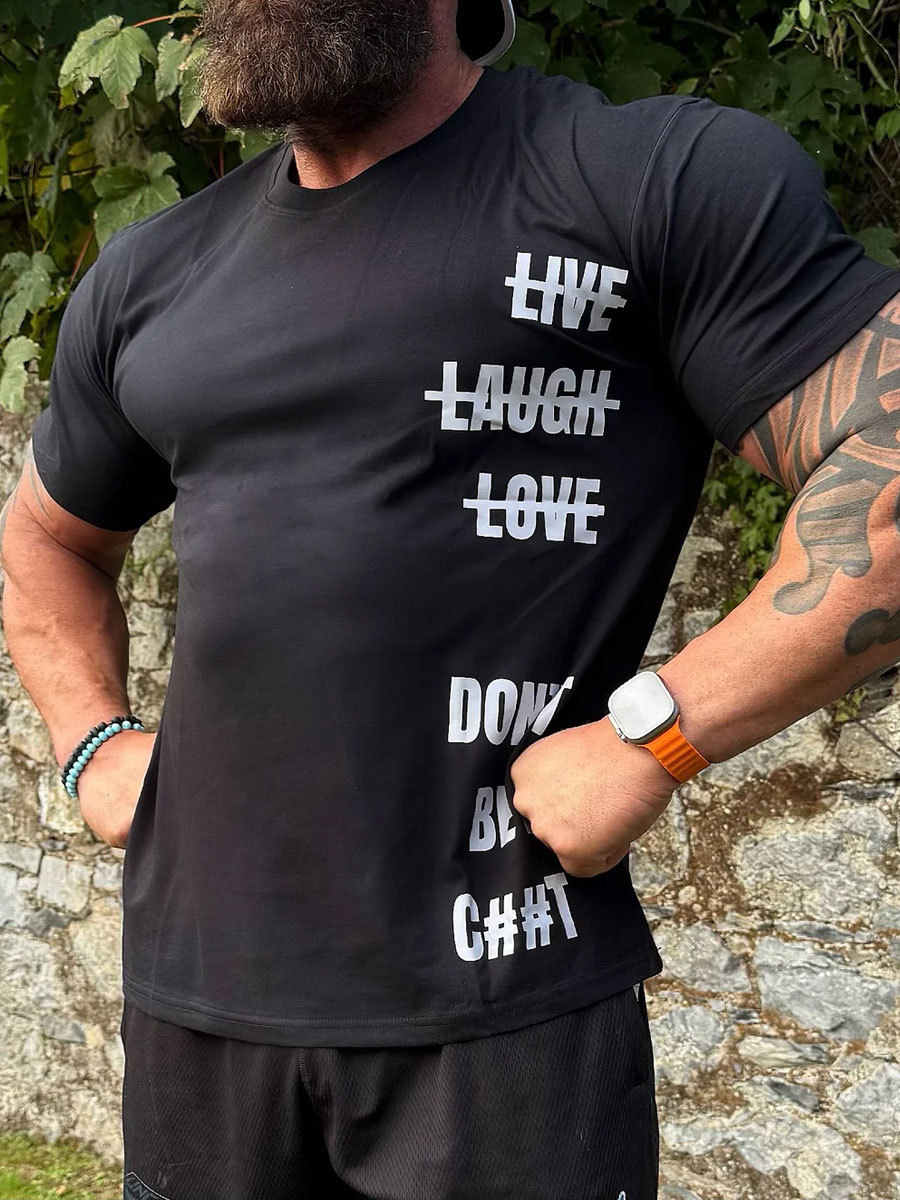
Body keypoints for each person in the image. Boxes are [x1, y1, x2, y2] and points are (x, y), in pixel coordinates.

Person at [1, 1, 898, 1196]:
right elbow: (46, 538)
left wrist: (659, 732)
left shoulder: (645, 181)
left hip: (500, 1012)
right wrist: (90, 742)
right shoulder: (155, 270)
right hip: (197, 1010)